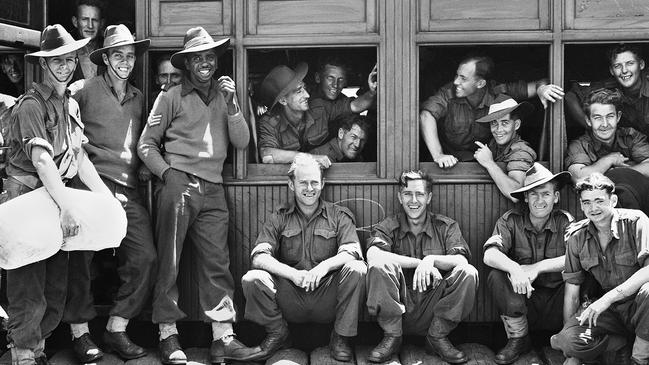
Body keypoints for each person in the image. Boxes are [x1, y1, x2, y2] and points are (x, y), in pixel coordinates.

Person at [138, 26, 261, 364]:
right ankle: (167, 335)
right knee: (170, 261)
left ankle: (223, 339)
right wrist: (168, 174)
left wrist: (235, 104)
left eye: (210, 56)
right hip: (178, 183)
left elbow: (241, 142)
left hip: (214, 189)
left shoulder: (224, 96)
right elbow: (145, 145)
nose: (206, 62)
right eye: (199, 58)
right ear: (188, 63)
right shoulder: (171, 95)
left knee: (217, 263)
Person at [4, 24, 112, 365]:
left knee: (55, 288)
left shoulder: (70, 106)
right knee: (29, 288)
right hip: (27, 202)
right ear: (44, 64)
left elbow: (78, 158)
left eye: (69, 59)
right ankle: (23, 353)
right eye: (57, 61)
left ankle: (36, 351)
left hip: (54, 201)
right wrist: (68, 207)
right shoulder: (30, 106)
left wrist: (105, 202)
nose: (65, 66)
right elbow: (43, 160)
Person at [62, 24, 156, 362]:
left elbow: (143, 142)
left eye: (131, 56)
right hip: (88, 186)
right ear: (105, 58)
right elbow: (68, 138)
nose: (126, 62)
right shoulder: (82, 90)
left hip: (127, 191)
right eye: (119, 55)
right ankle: (80, 333)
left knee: (145, 257)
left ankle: (116, 327)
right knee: (79, 259)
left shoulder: (139, 96)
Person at [241, 154, 366, 362]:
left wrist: (323, 268)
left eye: (314, 182)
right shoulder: (279, 217)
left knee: (357, 269)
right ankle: (278, 333)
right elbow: (259, 256)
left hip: (327, 296)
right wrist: (293, 274)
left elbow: (352, 251)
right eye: (303, 183)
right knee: (252, 279)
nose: (310, 188)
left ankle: (341, 337)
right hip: (291, 295)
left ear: (323, 183)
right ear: (291, 184)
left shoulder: (338, 215)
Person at [365, 170, 478, 364]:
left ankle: (437, 337)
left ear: (429, 197)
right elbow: (373, 255)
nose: (413, 200)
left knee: (468, 273)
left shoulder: (445, 226)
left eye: (420, 194)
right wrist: (418, 262)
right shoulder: (389, 225)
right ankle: (392, 337)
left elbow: (461, 260)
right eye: (408, 194)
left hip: (433, 307)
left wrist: (431, 260)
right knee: (378, 266)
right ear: (400, 197)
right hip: (399, 305)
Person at [552, 173, 649, 365]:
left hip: (641, 306)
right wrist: (570, 343)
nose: (593, 208)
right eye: (587, 202)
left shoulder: (636, 222)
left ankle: (639, 358)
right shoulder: (577, 237)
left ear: (613, 200)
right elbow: (572, 292)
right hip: (610, 313)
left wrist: (607, 298)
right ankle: (619, 342)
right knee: (566, 341)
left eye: (599, 201)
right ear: (581, 205)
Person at [482, 163, 573, 364]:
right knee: (496, 275)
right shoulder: (511, 221)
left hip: (558, 303)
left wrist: (537, 267)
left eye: (546, 194)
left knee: (584, 275)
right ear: (525, 197)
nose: (540, 200)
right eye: (533, 194)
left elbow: (578, 258)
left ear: (556, 197)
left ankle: (571, 338)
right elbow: (489, 254)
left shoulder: (565, 221)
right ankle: (518, 339)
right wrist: (515, 268)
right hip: (523, 302)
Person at [419, 54, 564, 168]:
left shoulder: (499, 91)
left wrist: (542, 89)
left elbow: (539, 84)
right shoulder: (448, 93)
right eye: (457, 75)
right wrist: (438, 155)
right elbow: (426, 115)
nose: (456, 82)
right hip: (451, 163)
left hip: (488, 160)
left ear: (481, 83)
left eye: (463, 78)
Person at [256, 63, 374, 166]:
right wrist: (311, 159)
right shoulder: (269, 123)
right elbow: (267, 155)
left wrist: (372, 92)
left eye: (304, 88)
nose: (307, 95)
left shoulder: (319, 107)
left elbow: (354, 106)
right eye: (299, 91)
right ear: (283, 100)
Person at [565, 88, 649, 214]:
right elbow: (579, 178)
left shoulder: (631, 136)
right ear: (588, 120)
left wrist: (617, 173)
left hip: (639, 210)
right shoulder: (579, 145)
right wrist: (609, 160)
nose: (605, 124)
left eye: (609, 116)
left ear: (618, 117)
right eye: (598, 118)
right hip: (596, 213)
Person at [565, 44, 649, 137]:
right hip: (629, 146)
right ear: (611, 70)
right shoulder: (608, 87)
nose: (624, 70)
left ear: (641, 64)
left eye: (630, 63)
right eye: (617, 66)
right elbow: (570, 96)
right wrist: (591, 126)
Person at [473, 95, 537, 202]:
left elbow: (515, 193)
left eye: (505, 123)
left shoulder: (521, 151)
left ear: (516, 125)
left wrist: (489, 163)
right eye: (494, 123)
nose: (498, 129)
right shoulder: (494, 145)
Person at [309, 56, 377, 136]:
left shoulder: (341, 101)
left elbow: (355, 106)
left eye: (341, 80)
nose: (335, 85)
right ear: (318, 78)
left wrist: (372, 92)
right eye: (330, 78)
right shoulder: (304, 96)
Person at [70, 0, 106, 83]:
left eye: (95, 20)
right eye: (84, 19)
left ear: (101, 23)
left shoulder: (108, 51)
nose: (90, 25)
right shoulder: (66, 52)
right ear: (75, 22)